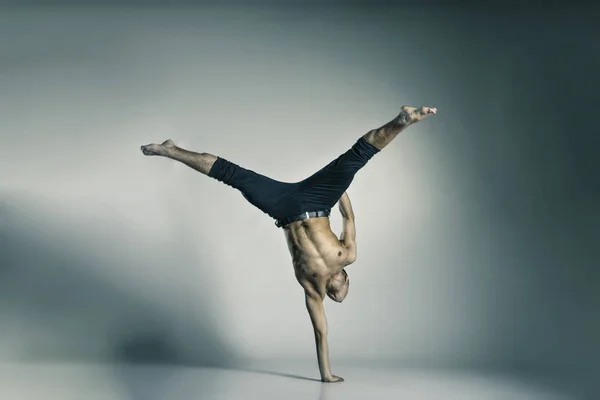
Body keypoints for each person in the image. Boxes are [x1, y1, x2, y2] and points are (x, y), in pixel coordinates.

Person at [141, 105, 437, 382]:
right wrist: (337, 186)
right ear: (345, 279)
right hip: (319, 201)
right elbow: (350, 217)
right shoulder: (348, 256)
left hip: (283, 209)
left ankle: (172, 151)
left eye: (335, 298)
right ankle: (402, 120)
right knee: (356, 158)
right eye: (343, 293)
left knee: (233, 176)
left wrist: (326, 375)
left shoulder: (312, 288)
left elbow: (321, 333)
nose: (338, 298)